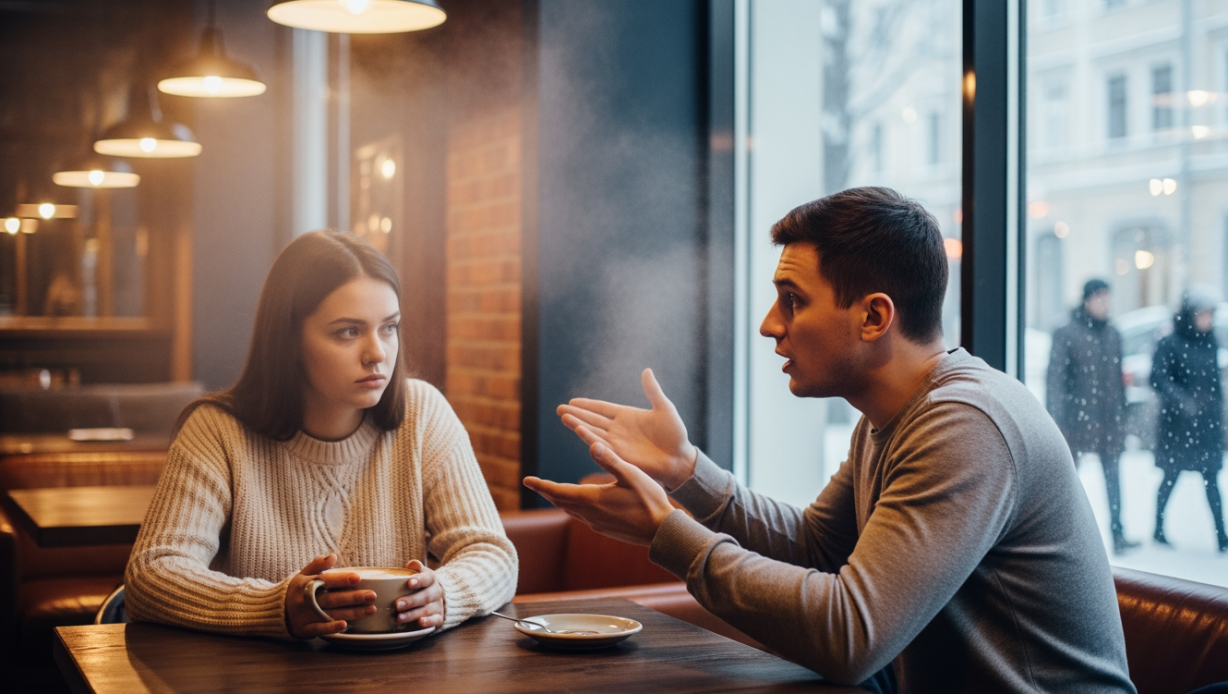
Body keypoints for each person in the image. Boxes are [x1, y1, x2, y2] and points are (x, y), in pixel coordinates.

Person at [525, 187, 1135, 693]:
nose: (769, 325)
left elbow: (851, 635)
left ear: (874, 317)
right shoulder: (893, 414)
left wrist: (668, 533)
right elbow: (819, 545)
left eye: (793, 301)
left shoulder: (966, 423)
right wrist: (688, 472)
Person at [125, 230, 517, 639]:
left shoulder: (422, 413)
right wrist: (276, 606)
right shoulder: (218, 431)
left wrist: (445, 595)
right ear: (290, 339)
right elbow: (151, 575)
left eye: (389, 327)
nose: (377, 352)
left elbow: (492, 554)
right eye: (348, 331)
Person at [1046, 278, 1138, 553]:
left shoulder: (1113, 333)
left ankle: (1118, 533)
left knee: (1113, 476)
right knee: (1069, 479)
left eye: (1107, 298)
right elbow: (1056, 381)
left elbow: (1118, 378)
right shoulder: (1067, 333)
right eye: (1099, 298)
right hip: (1076, 420)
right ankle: (1061, 533)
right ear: (1087, 300)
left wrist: (1122, 414)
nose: (1104, 304)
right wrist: (1057, 421)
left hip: (1108, 420)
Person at [1150, 287, 1228, 553]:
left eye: (1210, 315)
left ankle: (1222, 535)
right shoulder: (1170, 342)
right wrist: (1182, 401)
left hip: (1206, 425)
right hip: (1178, 426)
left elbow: (1214, 383)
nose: (1207, 320)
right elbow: (1158, 378)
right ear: (1190, 316)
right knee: (1170, 477)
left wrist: (1218, 414)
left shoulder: (1211, 342)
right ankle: (1158, 527)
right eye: (1203, 315)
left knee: (1212, 480)